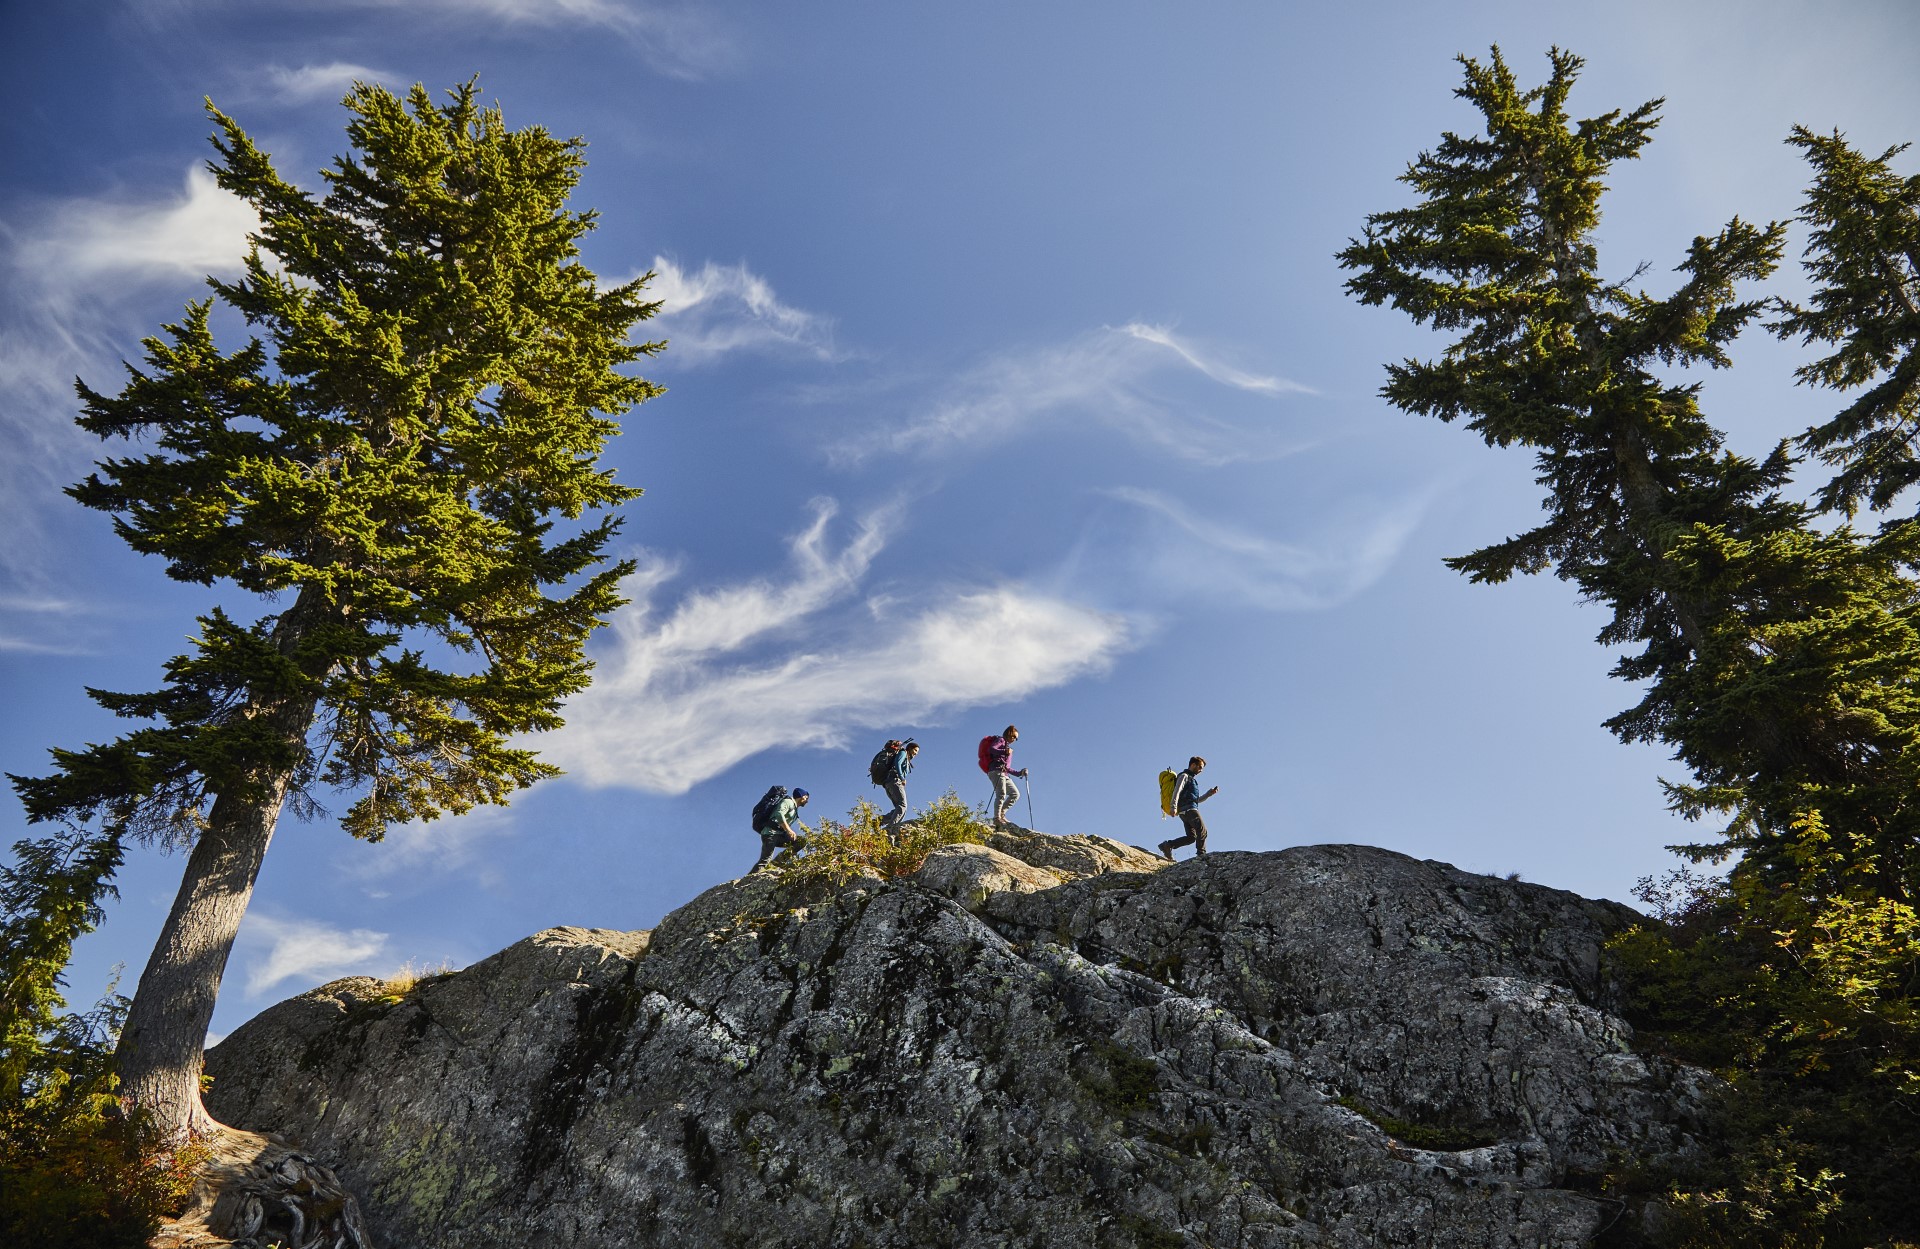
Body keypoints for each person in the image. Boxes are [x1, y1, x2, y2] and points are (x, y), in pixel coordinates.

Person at [1158, 757, 1217, 861]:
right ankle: (1201, 855)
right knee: (1202, 831)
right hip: (1189, 810)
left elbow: (1195, 800)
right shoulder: (1184, 776)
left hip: (1185, 812)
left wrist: (1208, 794)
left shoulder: (1192, 780)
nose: (1201, 770)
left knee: (1191, 838)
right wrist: (1173, 806)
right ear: (1193, 765)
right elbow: (1177, 790)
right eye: (1200, 767)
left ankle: (1168, 845)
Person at [978, 724, 1028, 830]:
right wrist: (1004, 751)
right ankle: (997, 818)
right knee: (1001, 794)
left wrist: (1020, 773)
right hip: (995, 771)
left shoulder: (1008, 748)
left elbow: (1007, 768)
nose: (1015, 739)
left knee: (1015, 794)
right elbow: (992, 749)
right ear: (1009, 734)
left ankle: (1001, 813)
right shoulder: (1001, 740)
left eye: (1016, 738)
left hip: (1003, 773)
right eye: (1014, 737)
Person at [753, 786, 810, 873]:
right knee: (764, 861)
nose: (807, 801)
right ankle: (746, 881)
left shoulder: (794, 808)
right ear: (801, 796)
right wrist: (789, 830)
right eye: (806, 797)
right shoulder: (788, 802)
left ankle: (777, 863)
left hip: (779, 834)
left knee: (801, 841)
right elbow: (779, 813)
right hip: (770, 833)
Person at [876, 739, 919, 839]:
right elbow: (897, 764)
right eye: (915, 750)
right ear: (910, 748)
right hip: (894, 780)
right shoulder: (903, 753)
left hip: (889, 783)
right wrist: (902, 777)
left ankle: (878, 821)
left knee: (898, 808)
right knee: (902, 805)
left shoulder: (906, 756)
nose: (916, 753)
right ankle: (891, 827)